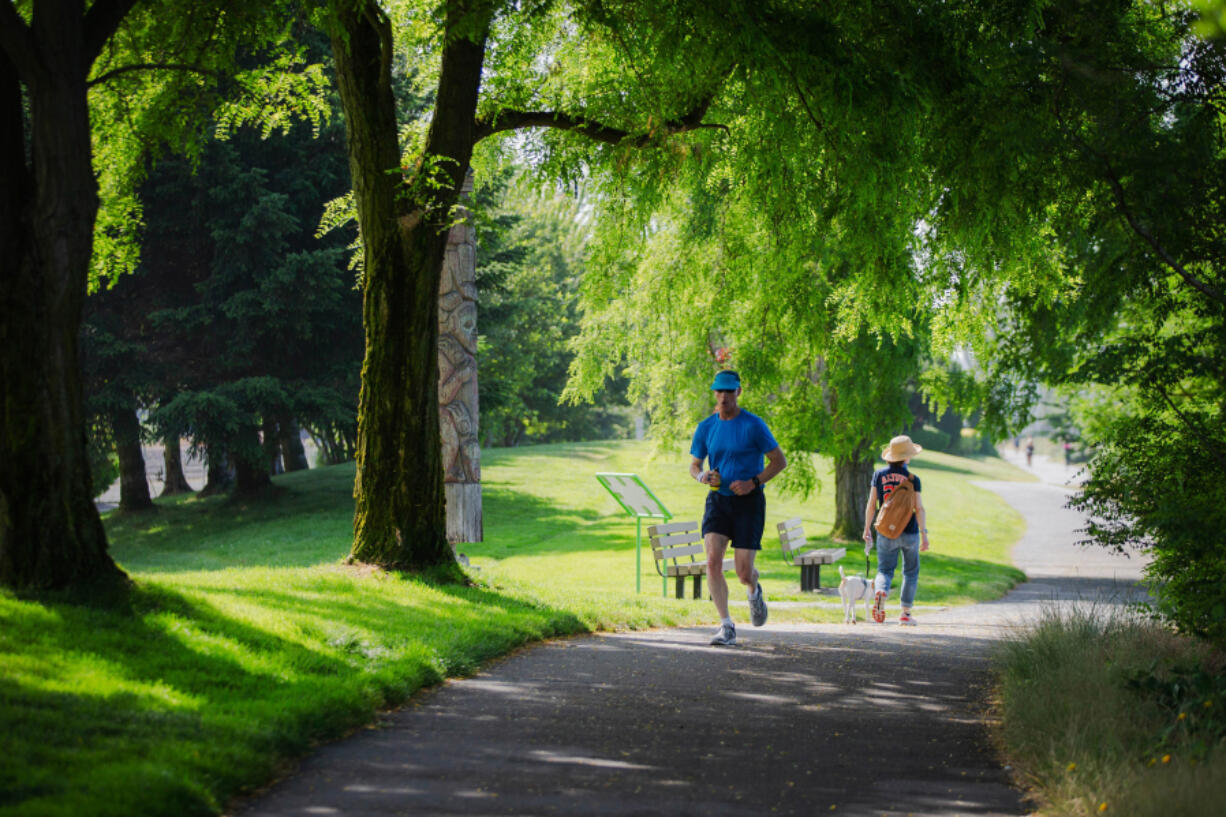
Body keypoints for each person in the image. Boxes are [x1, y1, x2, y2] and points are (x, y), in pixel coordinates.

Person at [690, 370, 787, 646]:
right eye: (719, 391)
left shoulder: (754, 425)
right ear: (714, 393)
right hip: (718, 501)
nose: (723, 397)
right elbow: (695, 464)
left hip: (749, 504)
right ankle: (726, 626)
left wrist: (753, 483)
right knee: (712, 561)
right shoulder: (706, 427)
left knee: (744, 572)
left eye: (729, 391)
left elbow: (779, 461)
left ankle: (754, 590)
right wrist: (703, 476)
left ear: (738, 393)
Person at [861, 435, 930, 626]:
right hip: (909, 532)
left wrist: (867, 527)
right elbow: (919, 508)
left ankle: (881, 591)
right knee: (910, 572)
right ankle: (905, 614)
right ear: (907, 457)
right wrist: (924, 534)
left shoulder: (879, 475)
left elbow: (871, 504)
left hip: (885, 531)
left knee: (884, 569)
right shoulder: (913, 480)